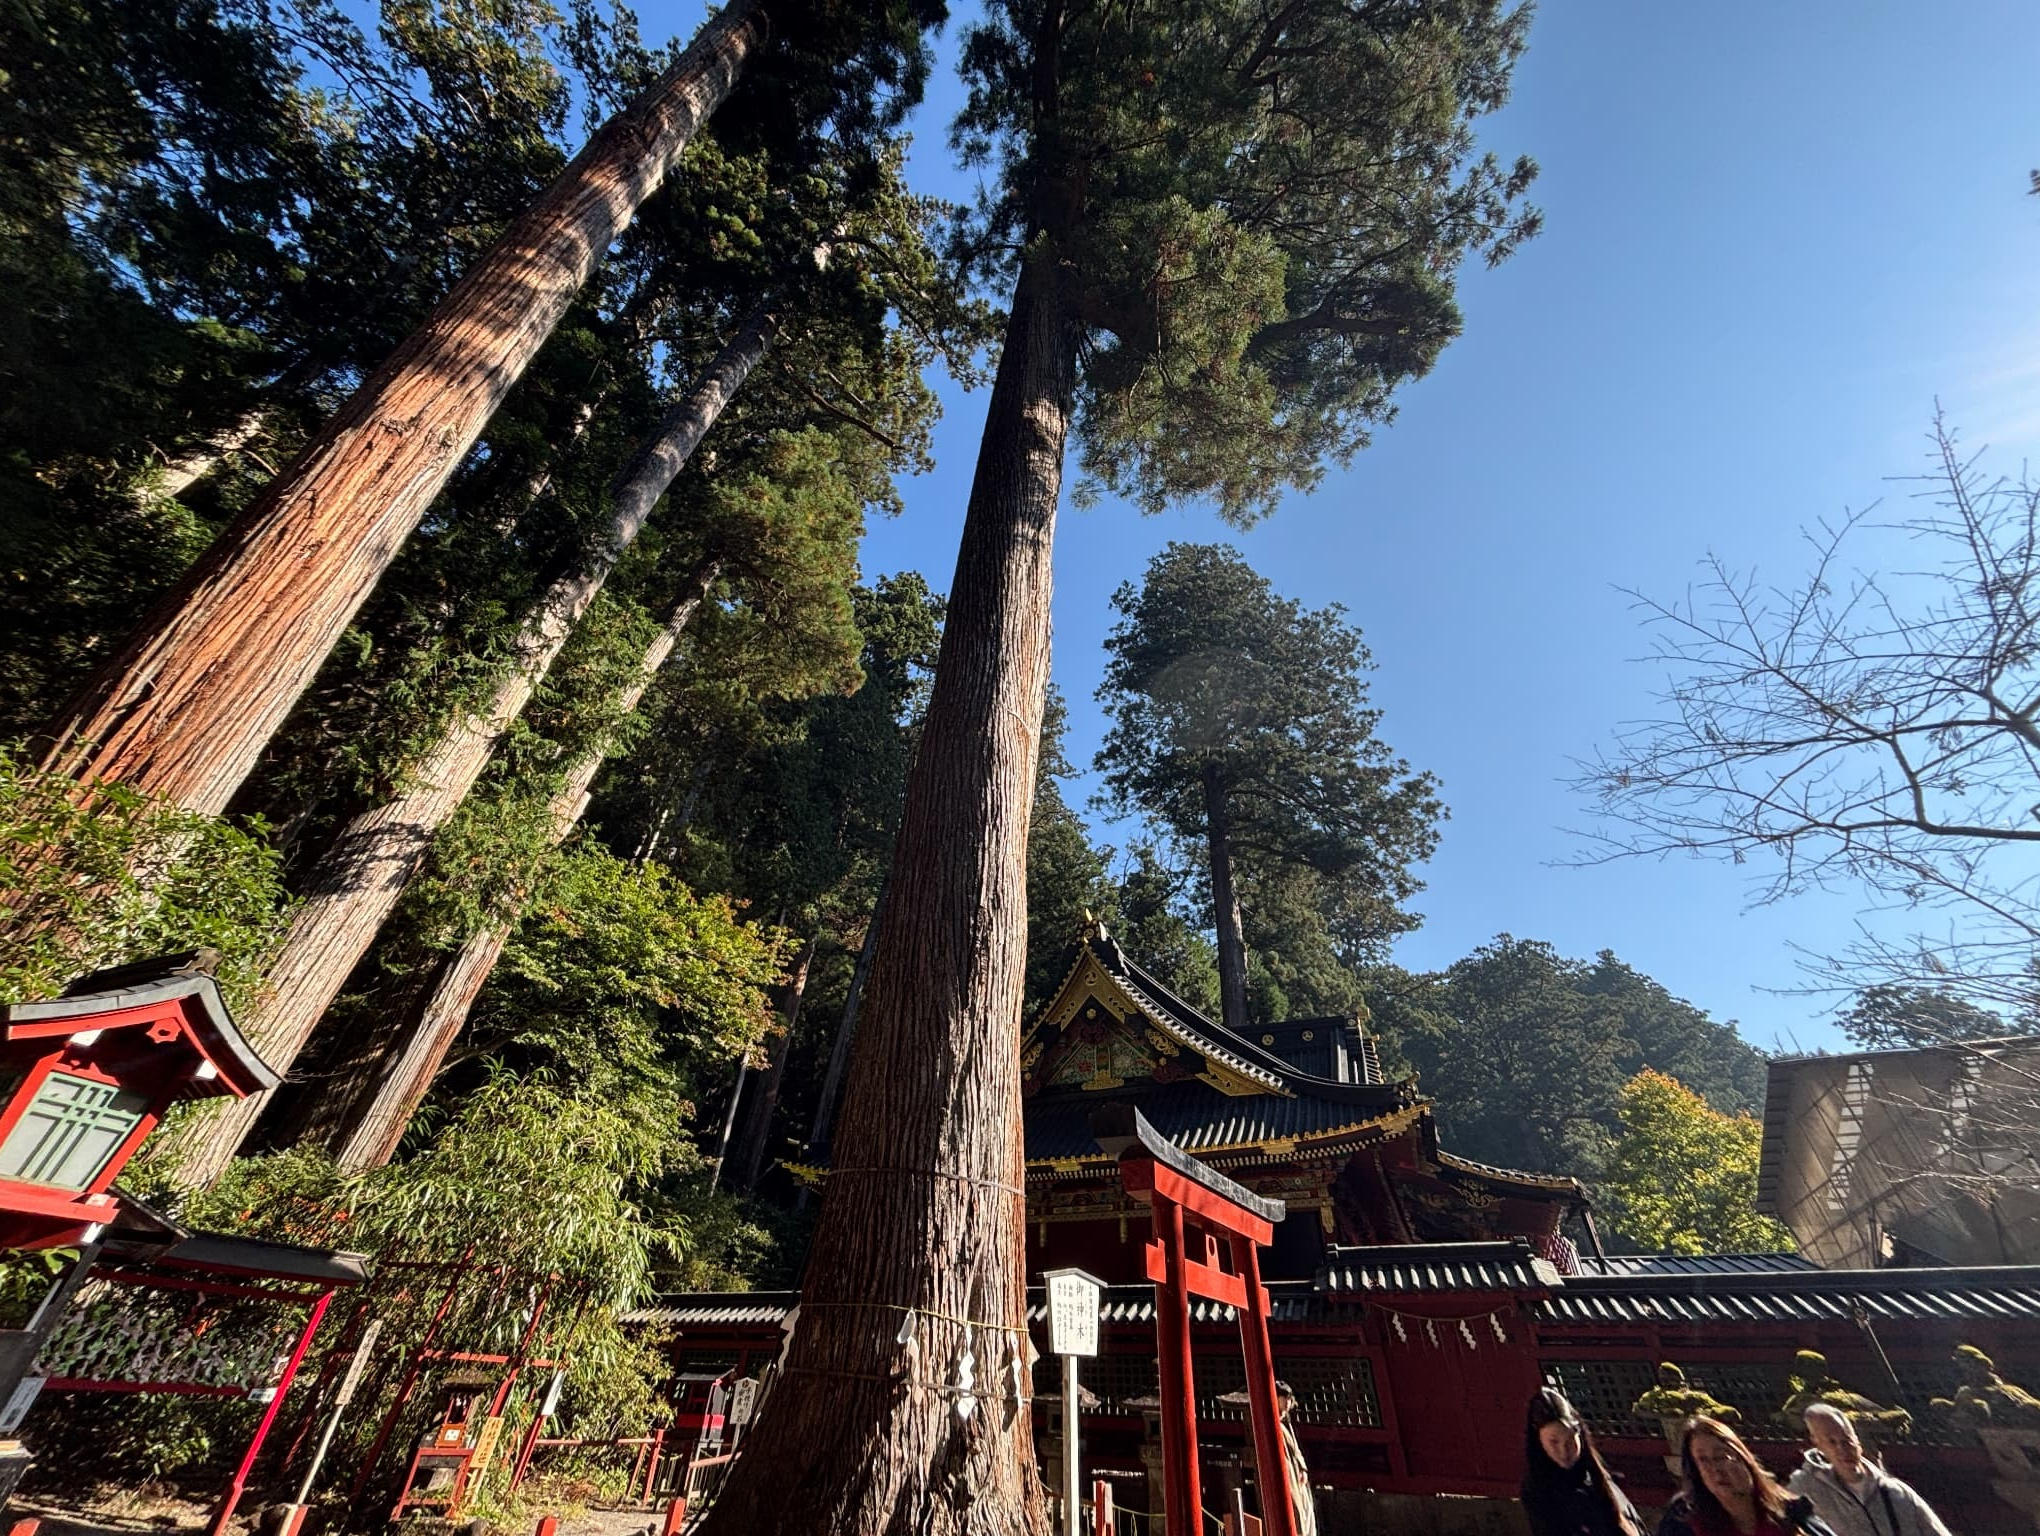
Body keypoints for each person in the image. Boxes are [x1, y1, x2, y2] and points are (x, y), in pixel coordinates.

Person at [1788, 1403, 1953, 1536]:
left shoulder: (1897, 1492)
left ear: (1857, 1441)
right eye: (1831, 1442)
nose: (1842, 1449)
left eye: (1847, 1441)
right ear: (1817, 1444)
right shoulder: (1803, 1489)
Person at [1659, 1417, 1836, 1536]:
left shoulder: (1790, 1511)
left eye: (1721, 1457)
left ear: (1743, 1458)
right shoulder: (1684, 1522)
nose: (1715, 1469)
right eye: (1703, 1460)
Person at [1521, 1386, 1642, 1536]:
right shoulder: (1537, 1490)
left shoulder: (1595, 1474)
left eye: (1570, 1439)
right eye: (1554, 1442)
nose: (1564, 1450)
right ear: (1539, 1440)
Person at [1274, 1379, 1318, 1536]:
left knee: (1307, 1515)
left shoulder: (1285, 1425)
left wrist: (1303, 1468)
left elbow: (1296, 1451)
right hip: (1288, 1478)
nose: (1286, 1405)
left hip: (1297, 1478)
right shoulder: (1274, 1426)